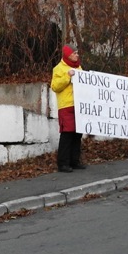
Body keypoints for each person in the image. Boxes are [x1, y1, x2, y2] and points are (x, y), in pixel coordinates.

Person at [51, 45, 86, 173]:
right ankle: (63, 163)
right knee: (67, 135)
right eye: (74, 53)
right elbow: (55, 86)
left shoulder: (78, 67)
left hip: (78, 105)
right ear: (68, 55)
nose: (77, 55)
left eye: (77, 53)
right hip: (66, 105)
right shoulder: (59, 69)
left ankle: (74, 161)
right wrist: (67, 76)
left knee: (77, 134)